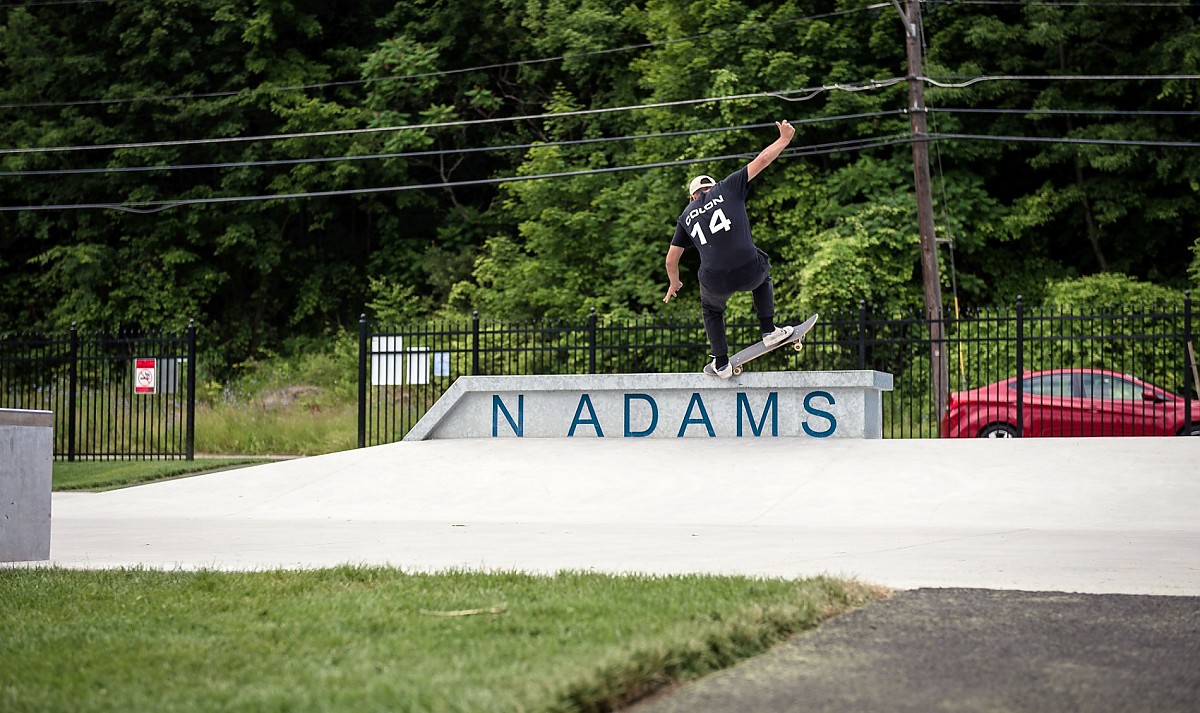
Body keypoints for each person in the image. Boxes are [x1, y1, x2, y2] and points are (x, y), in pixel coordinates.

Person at [662, 120, 796, 378]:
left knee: (711, 310)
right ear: (711, 187)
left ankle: (720, 361)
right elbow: (762, 161)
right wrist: (783, 140)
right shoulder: (728, 187)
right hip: (749, 269)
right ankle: (769, 331)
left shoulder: (686, 216)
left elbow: (671, 259)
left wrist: (674, 283)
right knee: (763, 274)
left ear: (692, 196)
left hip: (715, 281)